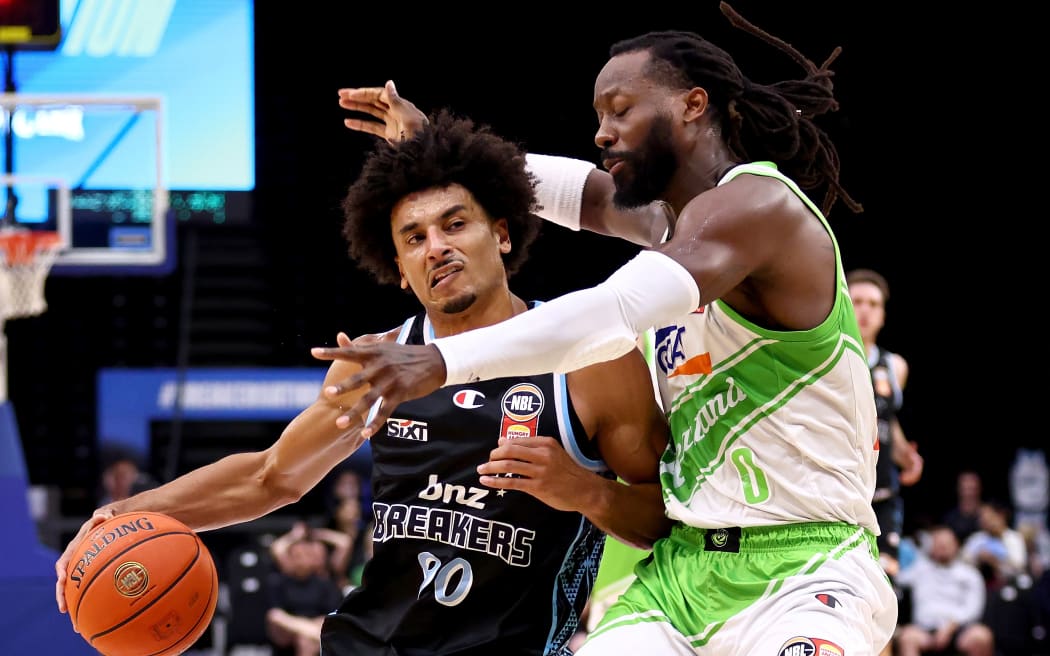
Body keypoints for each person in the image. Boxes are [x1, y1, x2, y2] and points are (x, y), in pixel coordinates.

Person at [329, 3, 897, 654]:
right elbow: (575, 194)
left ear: (692, 104)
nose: (602, 132)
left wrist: (439, 361)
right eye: (599, 116)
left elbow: (610, 314)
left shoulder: (756, 208)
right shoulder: (671, 225)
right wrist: (434, 146)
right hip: (684, 576)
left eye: (621, 109)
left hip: (807, 565)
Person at [54, 111, 672, 656]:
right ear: (400, 270)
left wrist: (586, 494)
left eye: (456, 224)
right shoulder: (375, 364)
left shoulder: (591, 359)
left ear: (503, 234)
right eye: (415, 238)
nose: (437, 247)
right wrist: (125, 513)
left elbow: (664, 522)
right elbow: (272, 476)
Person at [846, 268, 924, 576]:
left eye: (874, 304)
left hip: (884, 493)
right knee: (848, 582)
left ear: (883, 314)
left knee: (885, 579)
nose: (865, 310)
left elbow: (886, 421)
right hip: (843, 492)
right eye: (858, 301)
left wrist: (906, 454)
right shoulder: (826, 357)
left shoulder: (894, 366)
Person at [893, 524, 993, 656]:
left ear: (956, 545)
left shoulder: (970, 574)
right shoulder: (920, 569)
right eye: (938, 543)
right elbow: (897, 578)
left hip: (960, 630)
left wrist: (949, 628)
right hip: (925, 630)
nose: (943, 547)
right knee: (907, 637)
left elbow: (973, 609)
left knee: (981, 636)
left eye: (947, 543)